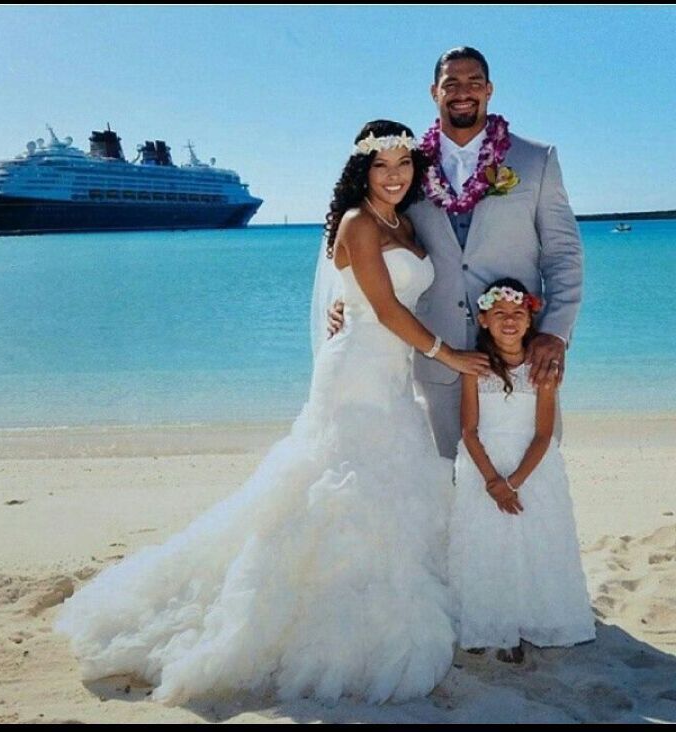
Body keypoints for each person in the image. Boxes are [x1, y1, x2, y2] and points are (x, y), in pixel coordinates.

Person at [54, 120, 463, 706]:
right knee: (341, 484)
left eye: (403, 164)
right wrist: (451, 356)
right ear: (362, 171)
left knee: (387, 485)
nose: (394, 175)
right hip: (357, 375)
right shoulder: (357, 222)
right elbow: (386, 308)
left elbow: (367, 300)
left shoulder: (404, 220)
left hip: (391, 374)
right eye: (382, 165)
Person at [329, 47, 584, 460]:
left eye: (474, 82)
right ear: (435, 92)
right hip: (438, 360)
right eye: (451, 84)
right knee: (446, 484)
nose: (462, 92)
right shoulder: (408, 167)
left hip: (520, 352)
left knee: (533, 479)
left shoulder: (536, 160)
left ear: (490, 90)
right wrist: (349, 295)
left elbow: (564, 253)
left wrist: (554, 333)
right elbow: (377, 234)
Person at [448, 278, 595, 663]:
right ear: (483, 320)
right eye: (499, 314)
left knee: (533, 543)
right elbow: (469, 430)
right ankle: (489, 625)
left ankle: (530, 621)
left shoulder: (540, 368)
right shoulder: (474, 368)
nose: (509, 321)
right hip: (484, 465)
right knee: (487, 544)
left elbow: (544, 433)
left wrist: (514, 482)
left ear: (531, 320)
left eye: (517, 313)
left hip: (531, 467)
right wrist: (493, 481)